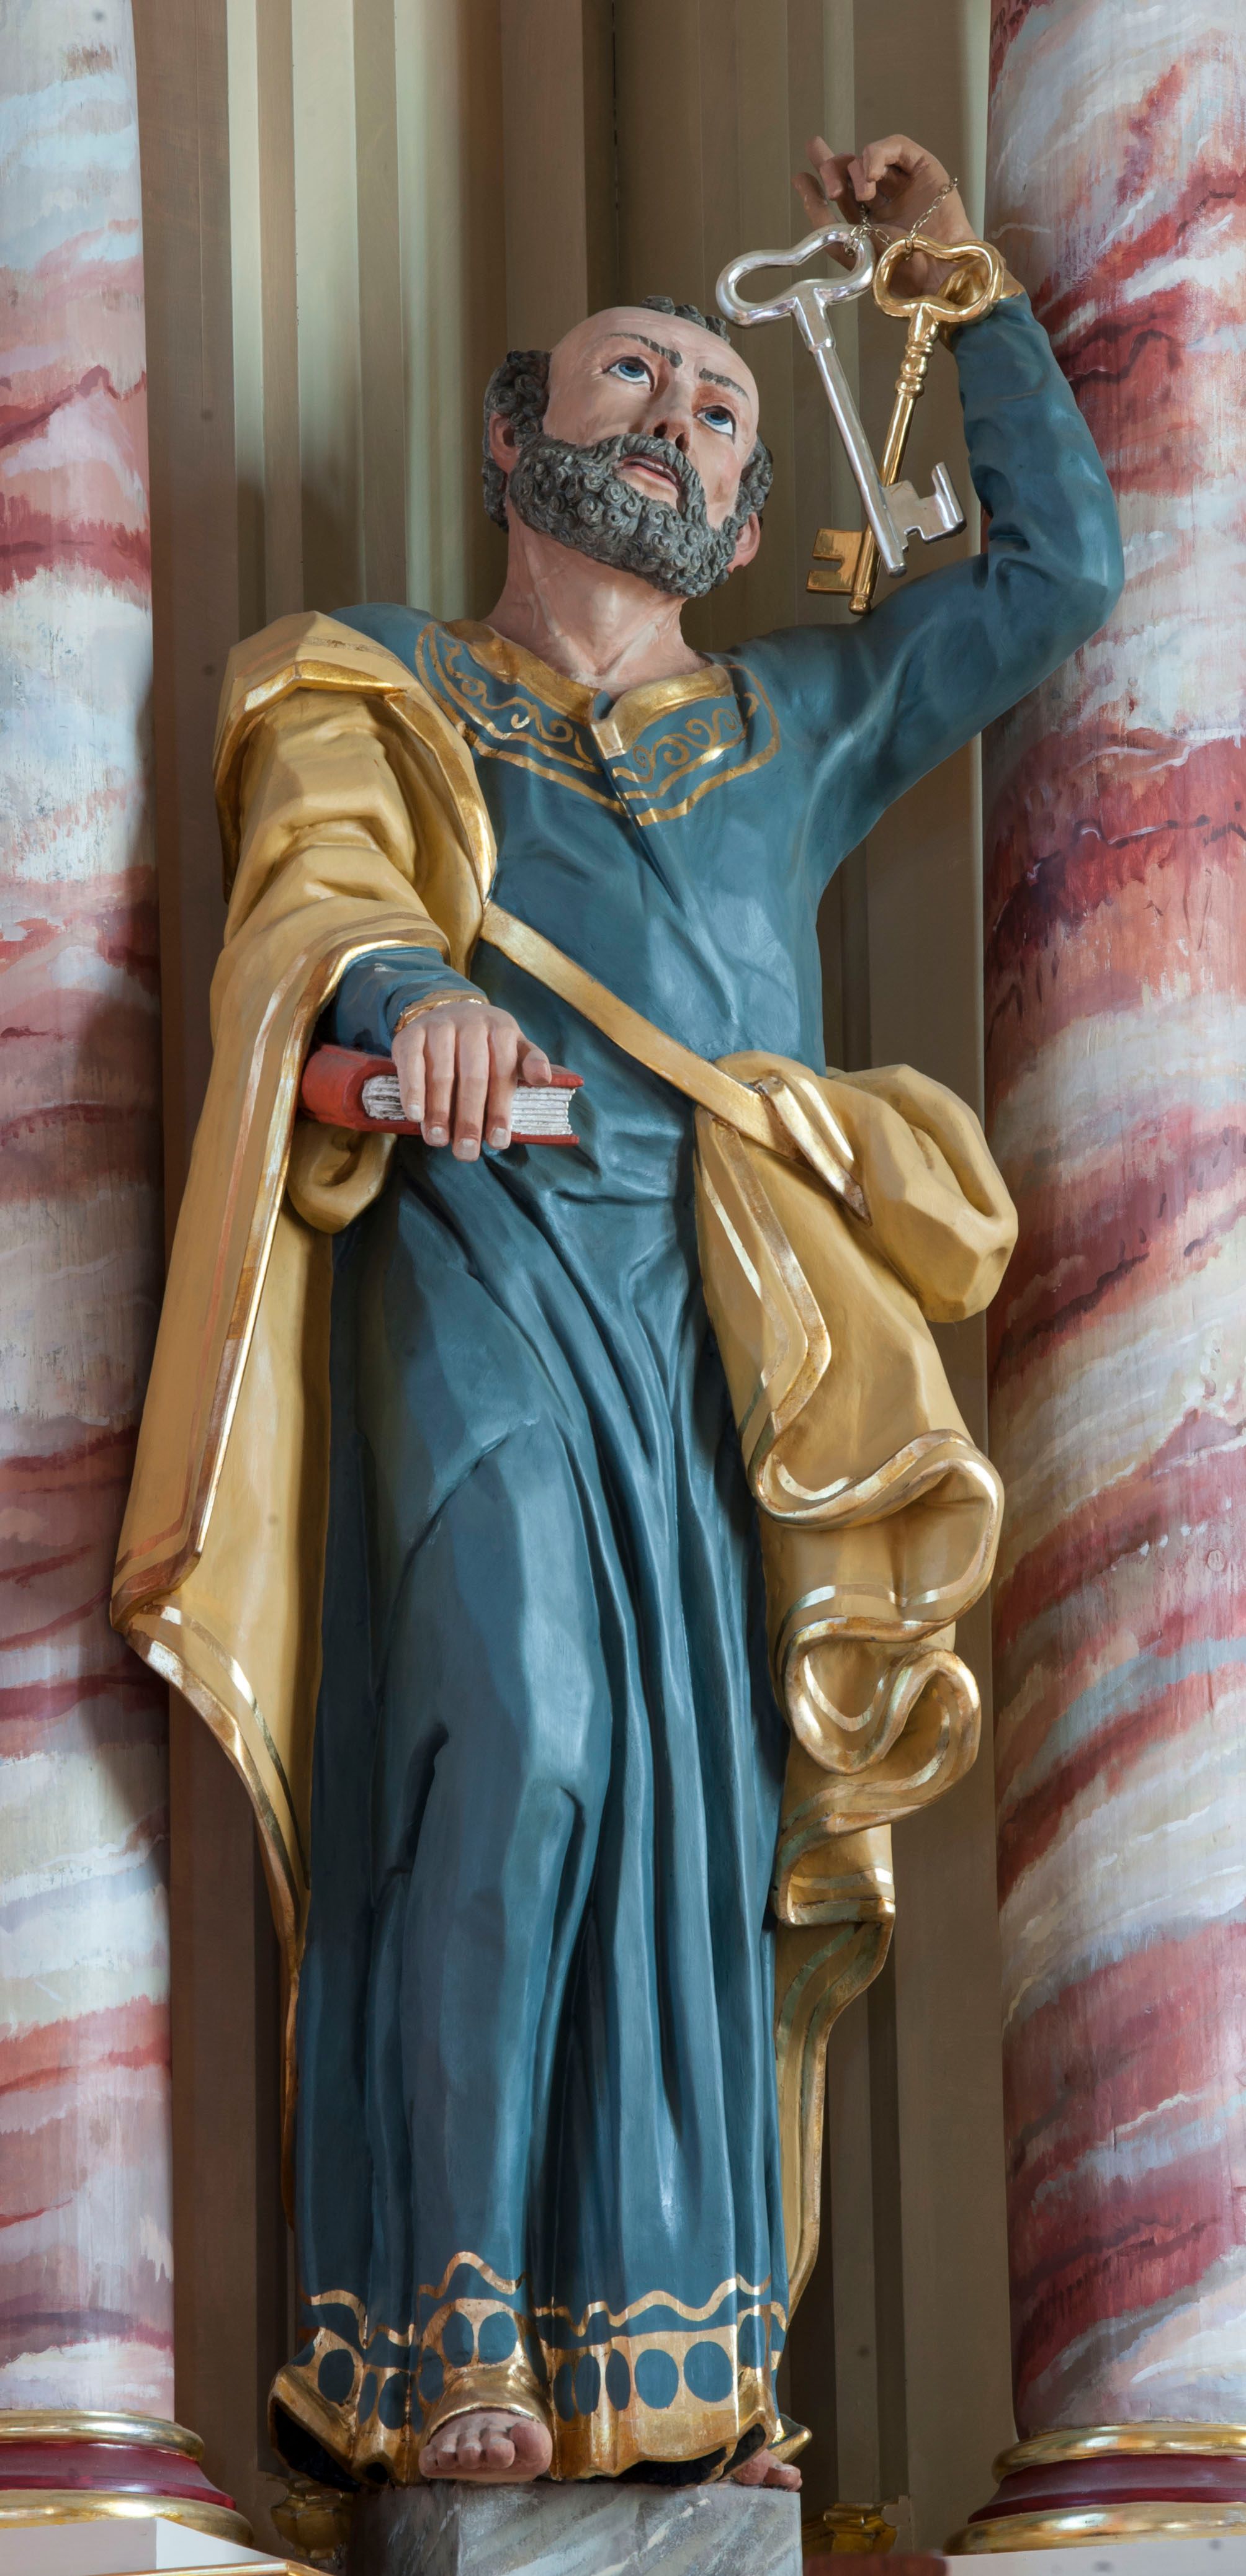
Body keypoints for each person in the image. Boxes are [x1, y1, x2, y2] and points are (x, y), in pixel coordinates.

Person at [115, 136, 1121, 2497]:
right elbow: (321, 897)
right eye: (634, 380)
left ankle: (683, 2363)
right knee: (527, 1723)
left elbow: (1060, 572)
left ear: (753, 510)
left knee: (701, 1817)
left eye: (722, 408)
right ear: (513, 437)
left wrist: (948, 287)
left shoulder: (796, 718)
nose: (681, 417)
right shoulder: (374, 682)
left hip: (723, 1322)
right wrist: (412, 1002)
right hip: (478, 1269)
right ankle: (453, 2314)